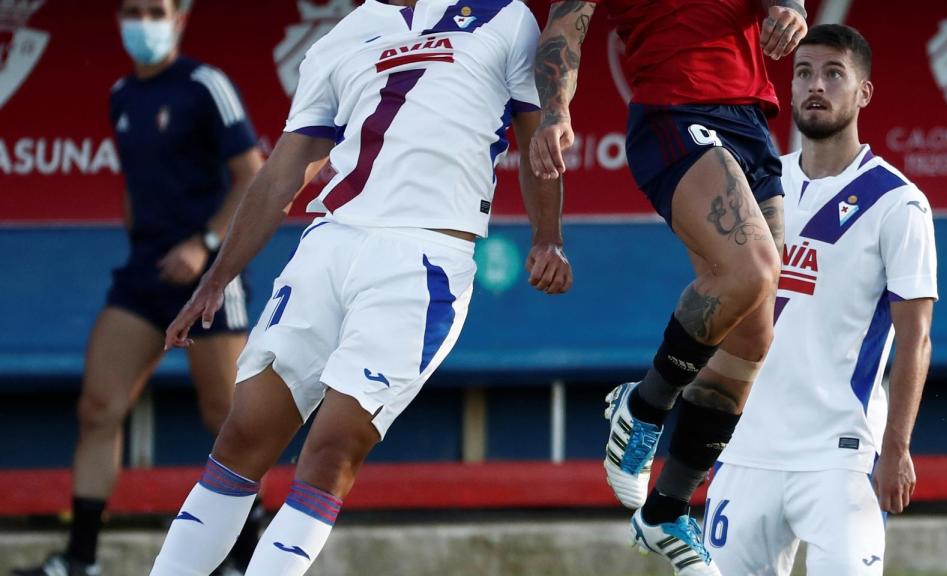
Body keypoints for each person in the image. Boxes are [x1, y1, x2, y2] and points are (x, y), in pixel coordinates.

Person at [146, 0, 572, 574]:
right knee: (242, 435)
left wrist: (547, 237)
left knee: (332, 449)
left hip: (424, 262)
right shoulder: (344, 34)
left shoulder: (505, 16)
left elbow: (537, 131)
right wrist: (216, 277)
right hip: (327, 245)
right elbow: (283, 170)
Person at [531, 1, 805, 573]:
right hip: (676, 111)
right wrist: (556, 112)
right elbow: (563, 29)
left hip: (751, 120)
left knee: (754, 330)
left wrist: (792, 10)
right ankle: (643, 403)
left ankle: (668, 508)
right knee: (750, 269)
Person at [12, 1, 265, 575]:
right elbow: (133, 186)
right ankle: (81, 560)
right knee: (99, 406)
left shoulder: (206, 85)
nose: (143, 20)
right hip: (145, 275)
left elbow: (253, 171)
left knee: (229, 418)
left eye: (156, 10)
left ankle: (245, 560)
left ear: (179, 19)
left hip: (208, 278)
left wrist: (204, 243)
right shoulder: (122, 94)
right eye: (133, 9)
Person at [706, 24, 937, 575]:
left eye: (835, 74)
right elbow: (719, 310)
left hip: (841, 458)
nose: (816, 86)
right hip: (745, 450)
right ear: (788, 89)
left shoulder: (899, 203)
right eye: (804, 73)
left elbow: (916, 338)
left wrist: (897, 447)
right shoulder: (756, 184)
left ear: (864, 93)